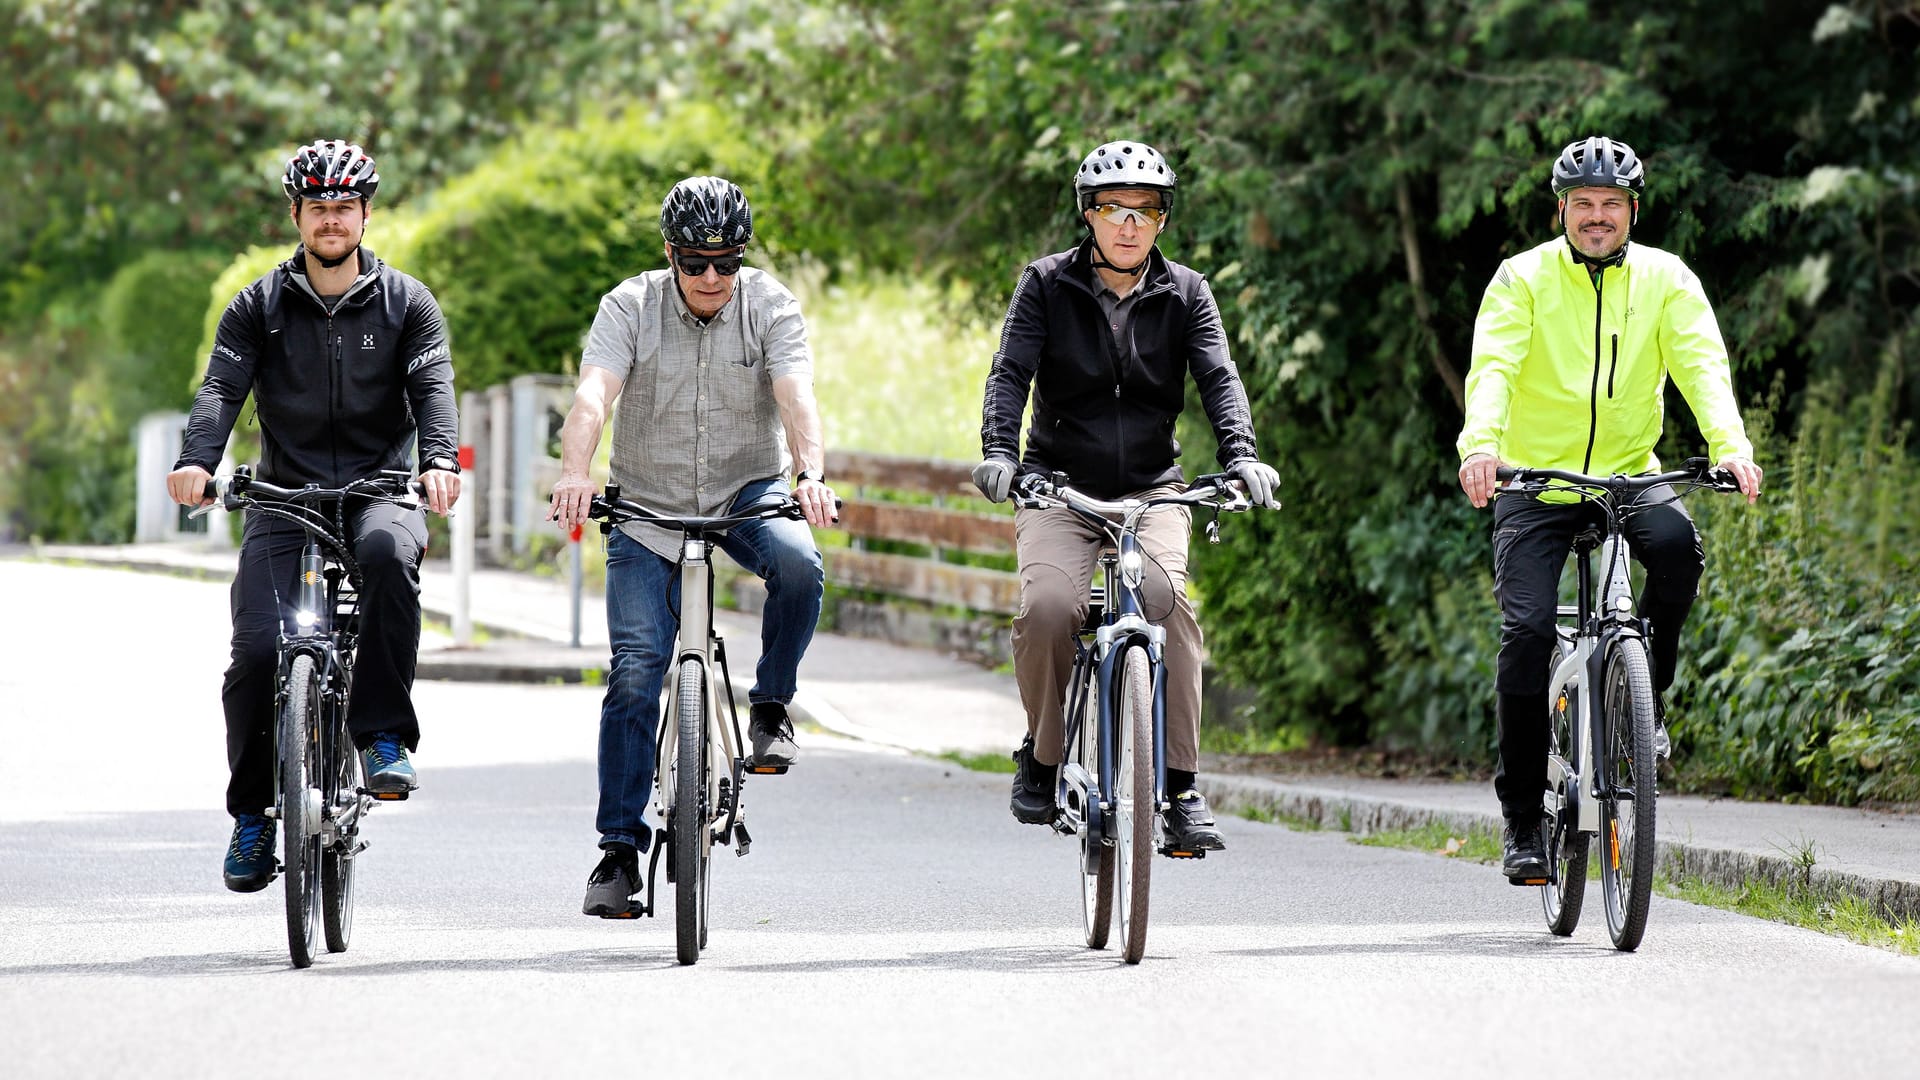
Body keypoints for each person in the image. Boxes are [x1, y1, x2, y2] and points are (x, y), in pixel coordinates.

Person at [1456, 135, 1763, 882]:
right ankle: (1524, 821)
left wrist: (1730, 443)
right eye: (1584, 205)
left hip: (1629, 473)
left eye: (1612, 205)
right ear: (1562, 208)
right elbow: (1493, 365)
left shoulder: (1667, 279)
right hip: (1537, 483)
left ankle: (1643, 700)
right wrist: (1481, 445)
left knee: (1678, 551)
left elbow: (1700, 364)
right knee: (1527, 632)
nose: (1598, 218)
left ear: (1632, 209)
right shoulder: (1521, 280)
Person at [167, 138, 461, 892]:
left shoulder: (407, 303)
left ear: (365, 214)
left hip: (379, 489)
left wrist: (436, 460)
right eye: (318, 208)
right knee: (258, 655)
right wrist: (198, 459)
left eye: (344, 208)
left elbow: (433, 392)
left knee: (391, 559)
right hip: (282, 495)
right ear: (295, 215)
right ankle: (252, 819)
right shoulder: (257, 307)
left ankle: (385, 736)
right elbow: (220, 392)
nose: (332, 221)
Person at [972, 140, 1280, 853]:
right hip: (1058, 487)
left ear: (1163, 220)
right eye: (1114, 208)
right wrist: (999, 454)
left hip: (1153, 490)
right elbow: (1010, 373)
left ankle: (1179, 789)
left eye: (1145, 210)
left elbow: (1219, 379)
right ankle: (1045, 758)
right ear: (1089, 214)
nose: (1129, 224)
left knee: (1169, 603)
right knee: (1050, 608)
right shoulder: (1046, 284)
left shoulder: (1188, 293)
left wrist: (1242, 458)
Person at [548, 176, 836, 916]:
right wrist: (576, 471)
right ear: (670, 254)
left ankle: (770, 708)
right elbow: (593, 395)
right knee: (638, 673)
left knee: (801, 563)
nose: (711, 277)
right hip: (647, 507)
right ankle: (618, 853)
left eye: (726, 261)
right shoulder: (630, 306)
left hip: (748, 495)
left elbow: (795, 394)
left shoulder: (768, 304)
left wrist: (810, 474)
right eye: (695, 262)